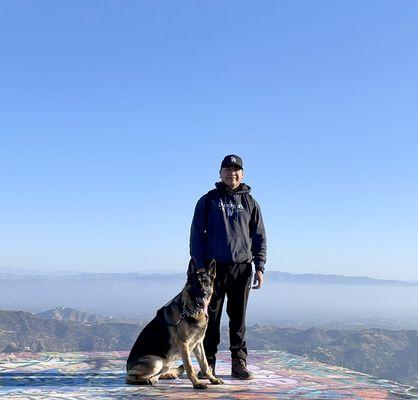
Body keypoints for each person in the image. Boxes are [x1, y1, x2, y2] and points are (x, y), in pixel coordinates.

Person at [189, 154, 267, 380]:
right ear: (220, 173)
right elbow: (196, 234)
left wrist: (259, 267)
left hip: (242, 268)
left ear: (242, 174)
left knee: (238, 318)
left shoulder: (251, 203)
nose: (231, 173)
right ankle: (208, 363)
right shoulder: (208, 200)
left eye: (236, 169)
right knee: (210, 318)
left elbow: (259, 237)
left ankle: (239, 363)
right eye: (227, 169)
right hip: (213, 270)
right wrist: (200, 265)